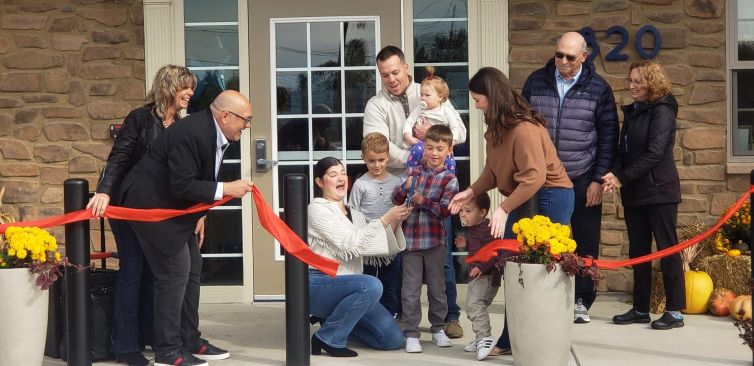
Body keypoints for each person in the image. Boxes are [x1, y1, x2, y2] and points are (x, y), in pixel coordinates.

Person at [117, 90, 254, 366]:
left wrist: (199, 214)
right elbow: (182, 184)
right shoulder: (192, 133)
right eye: (246, 119)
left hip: (174, 207)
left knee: (191, 267)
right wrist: (227, 188)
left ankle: (189, 339)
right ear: (226, 116)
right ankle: (167, 351)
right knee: (174, 272)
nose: (247, 125)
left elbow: (198, 177)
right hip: (148, 205)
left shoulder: (216, 131)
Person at [449, 67, 574, 356]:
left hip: (550, 197)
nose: (476, 104)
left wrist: (503, 209)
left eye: (478, 99)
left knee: (542, 273)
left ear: (492, 97)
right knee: (513, 266)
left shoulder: (524, 129)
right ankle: (509, 339)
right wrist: (471, 191)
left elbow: (534, 177)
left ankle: (546, 341)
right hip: (523, 196)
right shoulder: (495, 128)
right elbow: (492, 173)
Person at [86, 64, 197, 366]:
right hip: (129, 207)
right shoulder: (140, 119)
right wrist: (104, 191)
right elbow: (119, 156)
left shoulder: (182, 125)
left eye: (192, 88)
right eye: (185, 86)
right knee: (133, 269)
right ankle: (125, 347)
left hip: (160, 212)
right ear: (169, 86)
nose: (190, 93)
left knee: (157, 273)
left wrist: (198, 213)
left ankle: (154, 337)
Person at [364, 45, 465, 338]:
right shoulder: (376, 105)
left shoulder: (431, 91)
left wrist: (432, 141)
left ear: (406, 67)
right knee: (401, 254)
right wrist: (415, 154)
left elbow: (457, 133)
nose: (391, 78)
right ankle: (400, 315)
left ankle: (450, 317)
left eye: (395, 72)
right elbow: (378, 144)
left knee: (441, 254)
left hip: (437, 185)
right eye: (385, 75)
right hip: (403, 188)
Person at [521, 31, 619, 324]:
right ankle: (544, 299)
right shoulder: (536, 81)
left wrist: (598, 179)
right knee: (540, 241)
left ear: (584, 57)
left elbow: (608, 136)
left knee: (585, 241)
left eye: (569, 57)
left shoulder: (599, 88)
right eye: (558, 54)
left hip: (582, 175)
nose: (562, 61)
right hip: (544, 177)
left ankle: (581, 300)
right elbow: (523, 126)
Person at [602, 60, 685, 330]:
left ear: (652, 82)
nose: (631, 86)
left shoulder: (662, 110)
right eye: (630, 80)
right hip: (636, 192)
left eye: (637, 81)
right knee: (638, 251)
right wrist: (613, 172)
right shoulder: (636, 111)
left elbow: (655, 153)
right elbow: (622, 151)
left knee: (667, 250)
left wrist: (622, 177)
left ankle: (675, 312)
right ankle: (640, 308)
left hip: (660, 191)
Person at [308, 157, 410, 357]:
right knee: (371, 285)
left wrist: (396, 221)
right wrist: (384, 219)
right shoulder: (316, 210)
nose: (341, 178)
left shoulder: (356, 214)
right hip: (320, 283)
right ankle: (329, 337)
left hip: (349, 291)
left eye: (343, 173)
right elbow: (350, 243)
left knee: (393, 339)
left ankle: (336, 323)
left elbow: (373, 246)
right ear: (319, 182)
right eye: (333, 174)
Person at [391, 125, 459, 353]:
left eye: (440, 148)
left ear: (449, 151)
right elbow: (396, 198)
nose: (434, 153)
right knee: (410, 290)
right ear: (423, 149)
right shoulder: (413, 172)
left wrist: (420, 200)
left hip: (435, 242)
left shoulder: (449, 179)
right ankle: (412, 333)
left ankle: (438, 328)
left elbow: (445, 210)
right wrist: (404, 190)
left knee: (437, 287)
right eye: (429, 148)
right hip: (411, 242)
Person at [349, 133, 404, 318]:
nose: (377, 165)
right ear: (363, 158)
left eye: (381, 160)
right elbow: (353, 212)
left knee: (390, 282)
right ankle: (369, 315)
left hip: (390, 242)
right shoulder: (360, 184)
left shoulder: (397, 183)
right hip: (368, 244)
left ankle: (389, 316)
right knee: (370, 281)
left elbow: (399, 209)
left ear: (388, 156)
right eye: (372, 161)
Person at [454, 192, 500, 361]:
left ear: (482, 212)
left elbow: (495, 252)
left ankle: (485, 338)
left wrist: (481, 267)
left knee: (475, 305)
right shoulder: (474, 228)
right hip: (478, 276)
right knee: (471, 307)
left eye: (468, 211)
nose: (463, 214)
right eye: (461, 211)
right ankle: (480, 337)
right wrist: (466, 243)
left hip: (487, 276)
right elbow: (478, 247)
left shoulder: (488, 228)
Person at [403, 66, 466, 174]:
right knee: (415, 151)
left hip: (443, 145)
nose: (423, 98)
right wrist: (409, 137)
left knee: (450, 160)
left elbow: (455, 128)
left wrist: (451, 143)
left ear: (440, 97)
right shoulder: (420, 109)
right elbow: (408, 123)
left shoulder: (445, 111)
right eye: (421, 95)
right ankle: (413, 174)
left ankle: (449, 179)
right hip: (424, 144)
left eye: (427, 95)